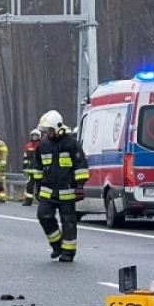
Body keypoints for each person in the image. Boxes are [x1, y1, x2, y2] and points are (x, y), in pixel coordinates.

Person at [35, 111, 89, 263]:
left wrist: (79, 186)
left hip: (67, 191)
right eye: (46, 131)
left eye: (50, 130)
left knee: (68, 221)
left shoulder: (71, 144)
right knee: (43, 215)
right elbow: (38, 167)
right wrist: (36, 186)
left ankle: (68, 251)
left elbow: (81, 166)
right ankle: (57, 245)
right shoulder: (43, 145)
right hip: (47, 190)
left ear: (58, 128)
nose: (48, 133)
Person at [21, 129, 42, 206]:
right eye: (33, 135)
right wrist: (24, 168)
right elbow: (25, 158)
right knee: (29, 186)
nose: (34, 137)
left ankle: (40, 199)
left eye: (36, 135)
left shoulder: (42, 145)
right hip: (30, 170)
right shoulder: (28, 146)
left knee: (40, 185)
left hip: (39, 170)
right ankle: (28, 200)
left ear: (39, 136)